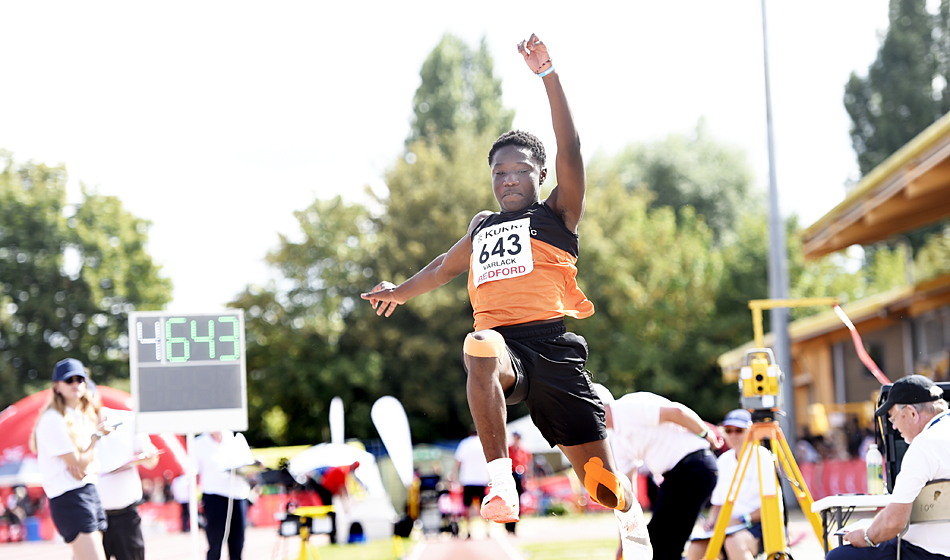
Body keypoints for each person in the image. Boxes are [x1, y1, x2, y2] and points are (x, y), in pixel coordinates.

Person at [361, 33, 651, 559]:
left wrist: (548, 75)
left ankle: (631, 517)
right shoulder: (482, 226)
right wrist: (400, 292)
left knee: (601, 486)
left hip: (556, 353)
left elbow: (572, 148)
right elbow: (445, 267)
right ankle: (501, 482)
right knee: (477, 346)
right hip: (504, 350)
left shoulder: (559, 212)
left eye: (520, 171)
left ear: (540, 175)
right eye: (500, 172)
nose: (509, 179)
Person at [830, 375, 950, 560]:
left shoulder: (924, 445)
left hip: (926, 552)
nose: (893, 426)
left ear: (911, 412)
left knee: (840, 556)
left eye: (893, 417)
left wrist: (866, 536)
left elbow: (894, 522)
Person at [596, 384, 722, 560]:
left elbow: (677, 412)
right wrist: (624, 541)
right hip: (679, 476)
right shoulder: (616, 439)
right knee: (660, 545)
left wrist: (706, 434)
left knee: (658, 545)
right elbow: (626, 493)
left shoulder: (628, 406)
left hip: (694, 467)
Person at [30, 358, 110, 560]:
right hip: (69, 497)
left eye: (80, 379)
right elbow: (78, 464)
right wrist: (95, 438)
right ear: (57, 386)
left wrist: (86, 462)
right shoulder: (53, 419)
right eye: (69, 380)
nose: (75, 384)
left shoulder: (80, 416)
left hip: (87, 491)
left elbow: (91, 466)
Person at [687, 409, 777, 560]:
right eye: (729, 430)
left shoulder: (762, 457)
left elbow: (773, 505)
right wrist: (711, 522)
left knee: (733, 543)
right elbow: (718, 504)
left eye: (739, 430)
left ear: (750, 432)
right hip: (727, 525)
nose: (733, 435)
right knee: (695, 548)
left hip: (758, 525)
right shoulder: (723, 460)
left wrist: (742, 519)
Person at [95, 407, 160, 560]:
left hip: (126, 514)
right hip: (92, 517)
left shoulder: (126, 419)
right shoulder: (72, 423)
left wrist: (148, 452)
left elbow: (151, 457)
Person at [193, 431, 256, 560]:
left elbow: (250, 468)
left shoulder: (237, 439)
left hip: (238, 496)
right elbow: (193, 472)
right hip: (213, 497)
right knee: (215, 542)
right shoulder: (199, 443)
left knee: (237, 543)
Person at [453, 430, 490, 539]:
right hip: (482, 479)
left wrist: (455, 475)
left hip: (468, 479)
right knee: (484, 505)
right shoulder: (483, 443)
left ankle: (469, 530)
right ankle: (487, 530)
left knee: (467, 506)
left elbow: (458, 461)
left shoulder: (464, 444)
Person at [506, 431, 532, 535]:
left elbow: (528, 465)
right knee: (509, 500)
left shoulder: (524, 451)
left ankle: (514, 526)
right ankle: (508, 525)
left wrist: (528, 478)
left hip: (520, 476)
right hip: (511, 476)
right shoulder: (509, 449)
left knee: (518, 501)